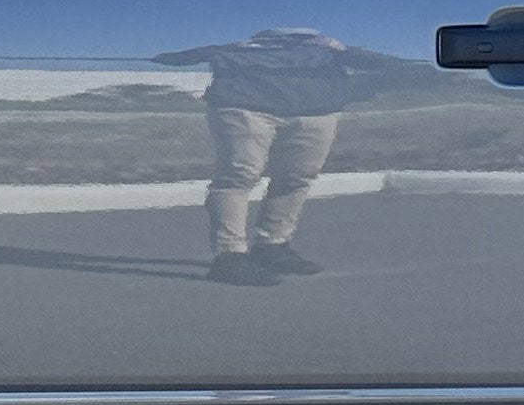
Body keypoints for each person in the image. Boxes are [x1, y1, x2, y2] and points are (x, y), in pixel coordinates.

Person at [154, 25, 387, 283]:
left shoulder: (329, 51)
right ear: (264, 39)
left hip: (316, 114)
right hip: (244, 109)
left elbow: (381, 64)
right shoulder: (233, 50)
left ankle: (272, 247)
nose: (289, 43)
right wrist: (227, 50)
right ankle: (229, 257)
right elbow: (175, 59)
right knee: (238, 176)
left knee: (297, 177)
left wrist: (341, 48)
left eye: (299, 38)